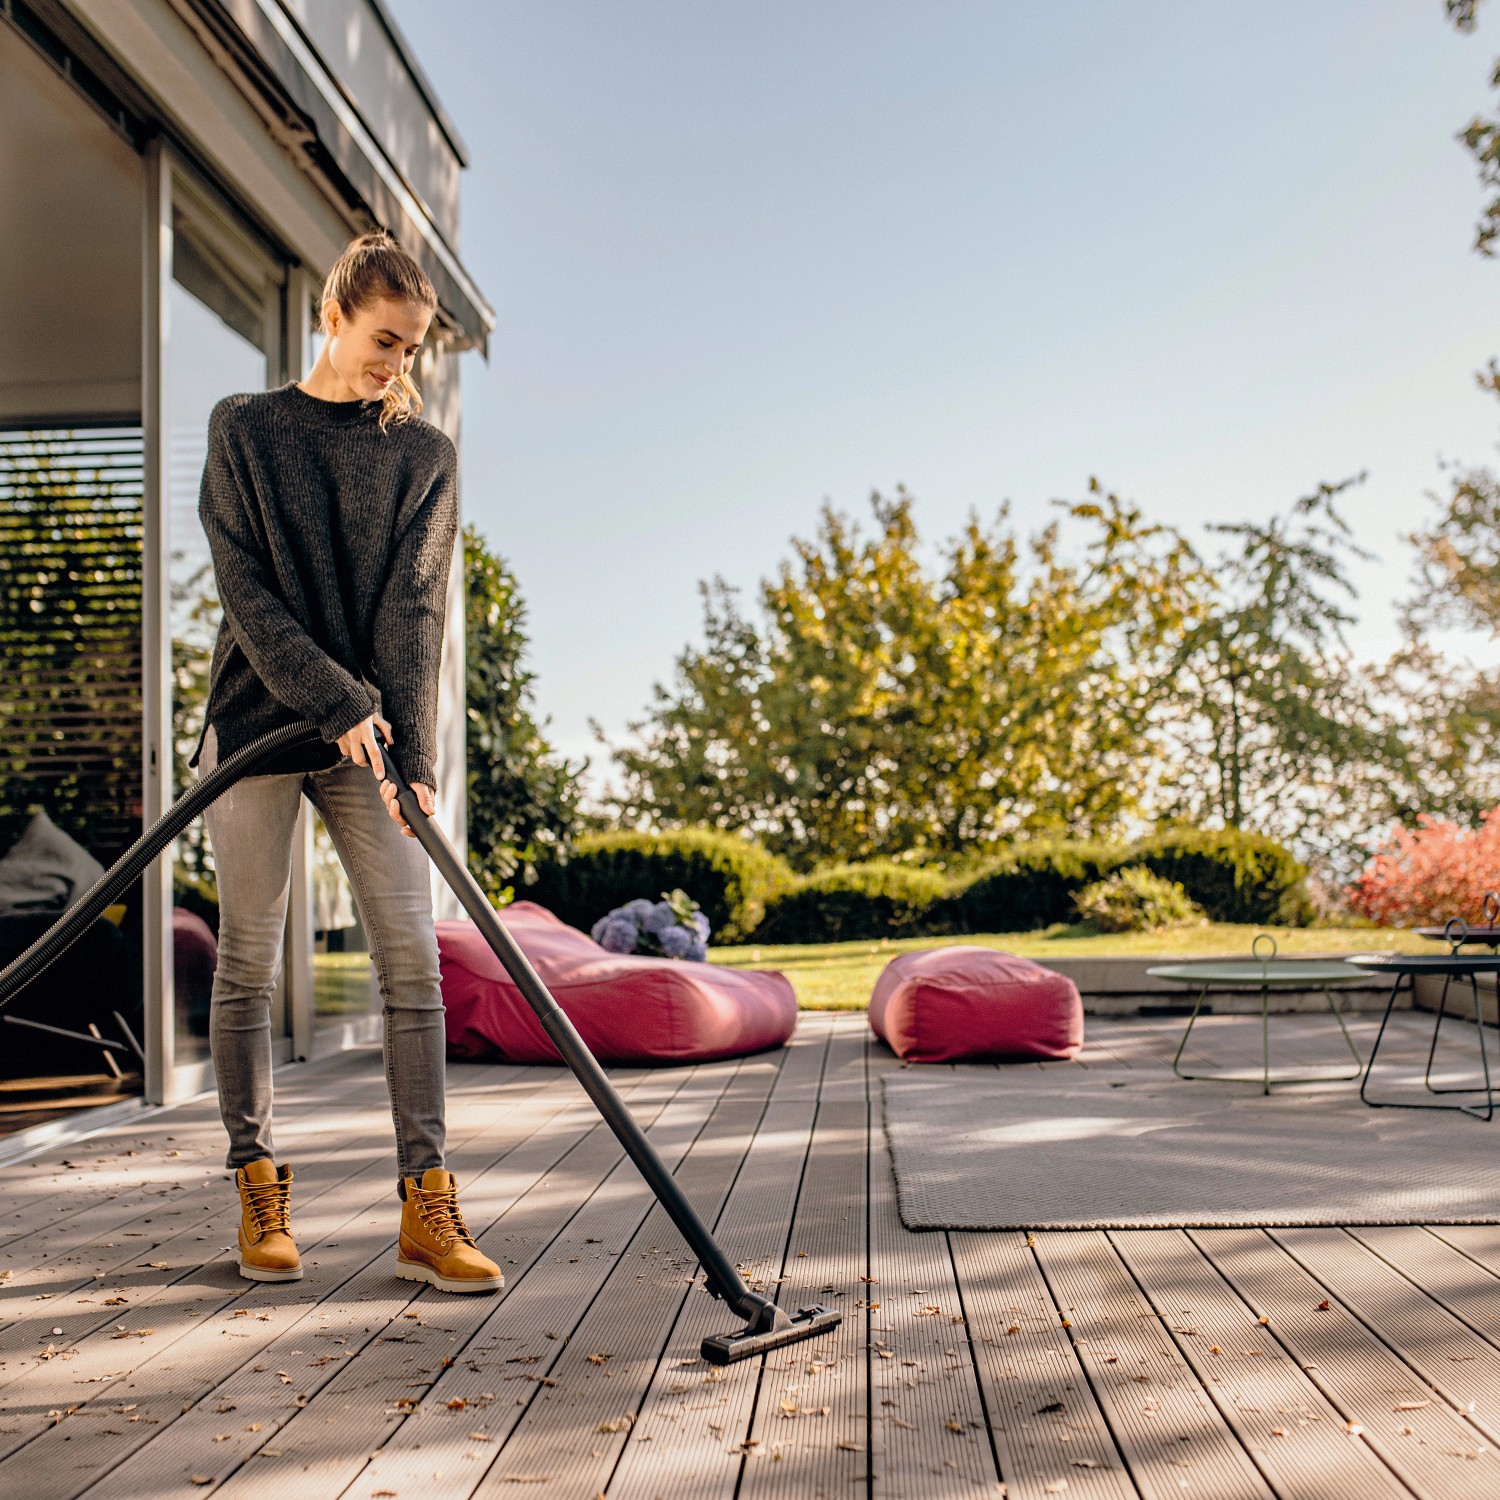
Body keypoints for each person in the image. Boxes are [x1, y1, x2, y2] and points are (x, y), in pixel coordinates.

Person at [188, 230, 502, 1295]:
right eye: (383, 340)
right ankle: (257, 1187)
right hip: (256, 727)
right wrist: (338, 701)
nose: (396, 367)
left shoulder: (424, 456)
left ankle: (427, 1204)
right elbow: (247, 592)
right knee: (250, 960)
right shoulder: (246, 430)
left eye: (411, 349)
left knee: (411, 964)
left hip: (368, 743)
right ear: (331, 317)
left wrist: (409, 752)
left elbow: (416, 608)